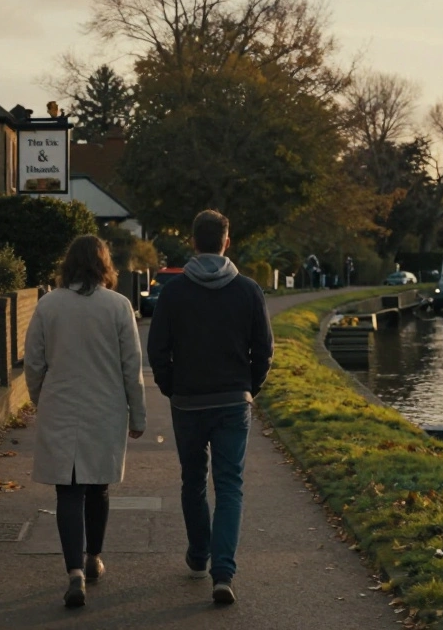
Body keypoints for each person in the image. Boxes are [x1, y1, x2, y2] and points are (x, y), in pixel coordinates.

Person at [147, 209, 273, 605]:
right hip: (234, 400)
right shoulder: (249, 291)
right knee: (230, 485)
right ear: (226, 242)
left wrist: (171, 387)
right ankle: (223, 573)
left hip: (187, 401)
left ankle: (199, 555)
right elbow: (264, 351)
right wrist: (248, 387)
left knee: (193, 480)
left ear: (193, 242)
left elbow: (157, 350)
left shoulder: (175, 293)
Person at [25, 235, 147, 609]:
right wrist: (138, 414)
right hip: (104, 408)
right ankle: (93, 557)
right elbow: (132, 367)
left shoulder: (49, 305)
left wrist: (38, 396)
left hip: (61, 406)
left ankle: (73, 572)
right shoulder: (119, 306)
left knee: (68, 491)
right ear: (103, 265)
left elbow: (34, 361)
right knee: (98, 487)